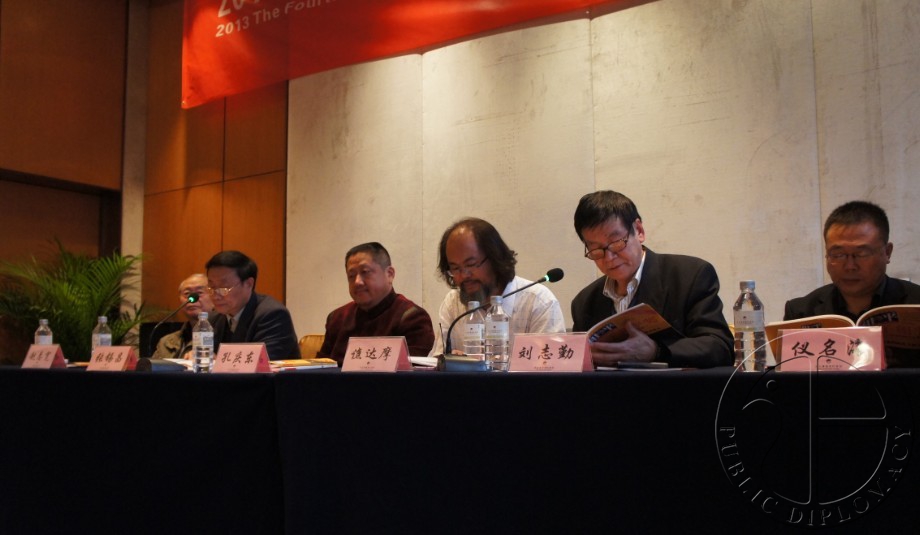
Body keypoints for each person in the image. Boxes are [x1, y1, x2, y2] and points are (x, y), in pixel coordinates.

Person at [571, 190, 733, 368]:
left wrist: (657, 351)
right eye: (596, 250)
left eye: (616, 242)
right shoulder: (584, 302)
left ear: (639, 231)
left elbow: (720, 347)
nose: (609, 257)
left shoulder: (690, 276)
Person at [784, 201, 920, 366]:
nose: (850, 266)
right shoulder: (802, 313)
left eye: (861, 254)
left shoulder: (915, 303)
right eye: (838, 255)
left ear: (887, 252)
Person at [432, 217, 565, 355]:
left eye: (471, 265)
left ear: (495, 258)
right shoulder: (452, 304)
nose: (463, 276)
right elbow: (436, 360)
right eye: (455, 268)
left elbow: (550, 364)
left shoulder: (538, 303)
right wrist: (449, 362)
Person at [318, 242, 435, 364]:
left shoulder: (412, 318)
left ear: (389, 274)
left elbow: (415, 372)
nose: (357, 282)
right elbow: (319, 368)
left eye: (365, 272)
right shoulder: (337, 318)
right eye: (351, 276)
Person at [205, 250, 300, 359]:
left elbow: (261, 360)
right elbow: (199, 350)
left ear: (249, 284)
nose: (215, 296)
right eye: (212, 287)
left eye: (224, 288)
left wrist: (215, 359)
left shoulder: (273, 315)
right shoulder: (214, 318)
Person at [152, 273, 215, 360]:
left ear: (215, 296)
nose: (192, 299)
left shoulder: (222, 337)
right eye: (187, 293)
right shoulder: (166, 342)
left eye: (199, 293)